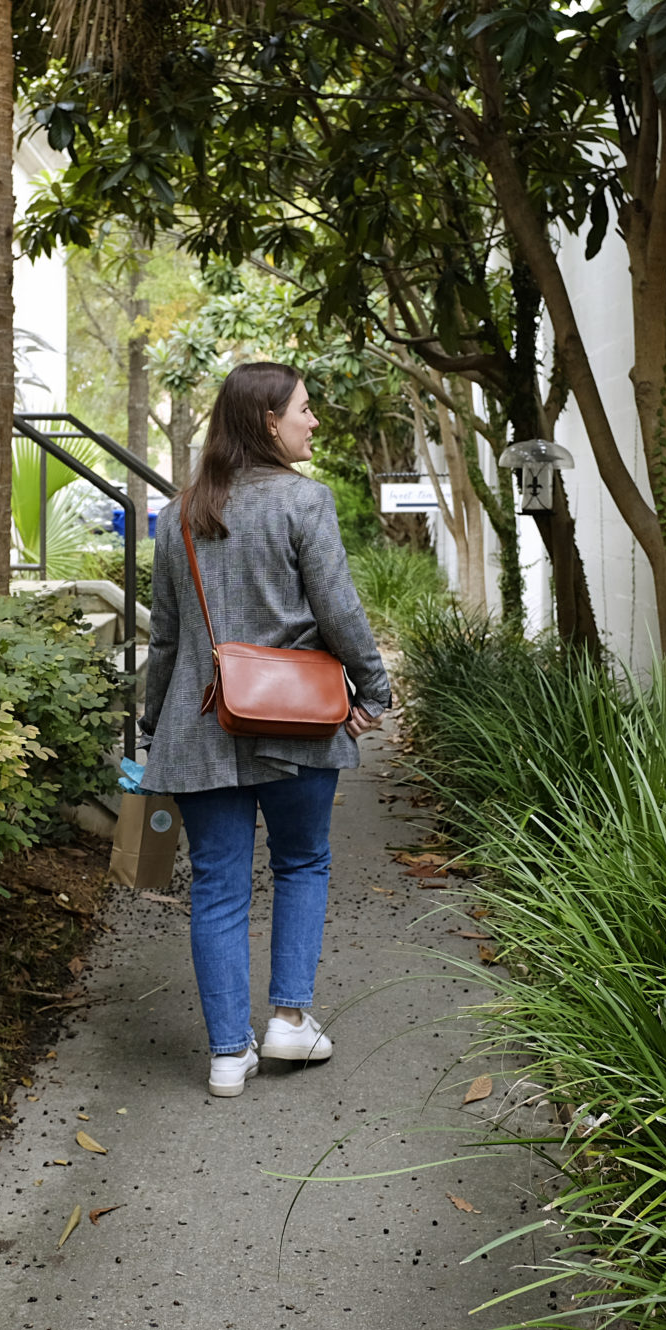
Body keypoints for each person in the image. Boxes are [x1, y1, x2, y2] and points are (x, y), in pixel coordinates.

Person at [138, 361, 391, 1097]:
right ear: (267, 422)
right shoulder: (306, 502)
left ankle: (226, 1054)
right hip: (300, 721)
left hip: (202, 722)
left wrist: (158, 724)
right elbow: (339, 611)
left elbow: (166, 640)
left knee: (216, 885)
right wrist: (372, 688)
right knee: (302, 862)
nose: (314, 421)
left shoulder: (180, 512)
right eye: (304, 409)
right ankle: (287, 1018)